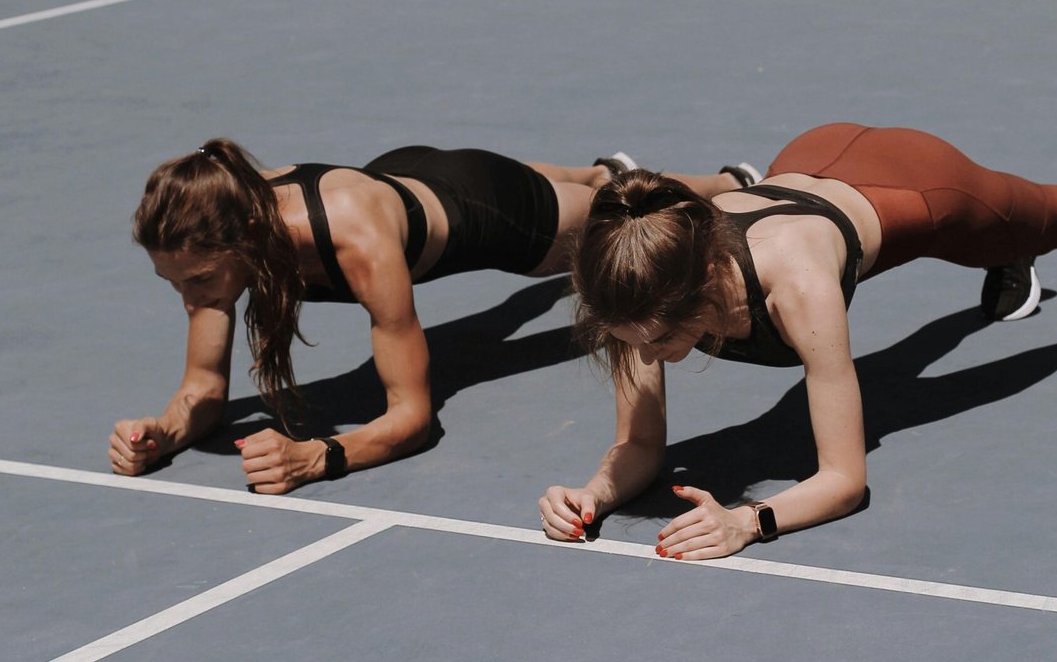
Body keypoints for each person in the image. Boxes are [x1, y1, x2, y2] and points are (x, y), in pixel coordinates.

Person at [539, 122, 1057, 559]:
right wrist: (592, 494)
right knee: (988, 264)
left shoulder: (797, 287)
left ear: (703, 288)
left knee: (1047, 218)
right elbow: (643, 444)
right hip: (809, 157)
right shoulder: (632, 285)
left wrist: (749, 519)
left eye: (658, 342)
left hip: (913, 181)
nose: (644, 358)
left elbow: (844, 478)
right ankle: (998, 257)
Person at [109, 139, 756, 494]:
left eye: (197, 279)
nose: (192, 296)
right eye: (174, 283)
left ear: (248, 234)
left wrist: (319, 456)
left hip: (483, 211)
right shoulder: (215, 248)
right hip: (406, 173)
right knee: (571, 182)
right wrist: (162, 431)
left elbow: (412, 417)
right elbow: (202, 389)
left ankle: (727, 185)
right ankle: (597, 166)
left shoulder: (353, 238)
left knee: (615, 217)